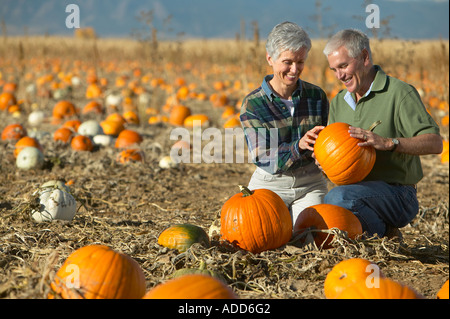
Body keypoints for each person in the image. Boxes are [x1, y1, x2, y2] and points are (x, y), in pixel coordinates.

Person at [322, 29, 443, 238]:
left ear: (364, 58)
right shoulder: (339, 102)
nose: (339, 75)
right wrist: (323, 161)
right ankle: (368, 232)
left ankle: (384, 233)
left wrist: (389, 143)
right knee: (322, 209)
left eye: (343, 66)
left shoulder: (399, 93)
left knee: (338, 199)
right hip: (355, 191)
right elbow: (337, 156)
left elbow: (435, 143)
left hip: (397, 193)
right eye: (334, 69)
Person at [240, 21, 329, 227]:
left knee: (312, 240)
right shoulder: (253, 104)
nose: (294, 69)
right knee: (261, 237)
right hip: (270, 183)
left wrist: (325, 157)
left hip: (310, 183)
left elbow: (328, 141)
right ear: (270, 58)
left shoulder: (316, 96)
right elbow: (263, 157)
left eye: (300, 62)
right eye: (287, 62)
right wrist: (298, 146)